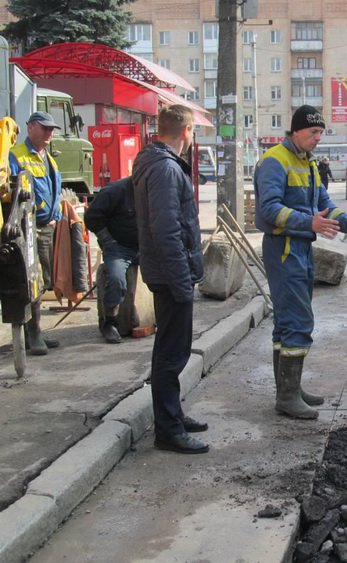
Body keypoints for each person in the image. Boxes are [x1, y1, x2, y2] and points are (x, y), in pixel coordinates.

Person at [254, 105, 347, 420]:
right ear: (297, 130)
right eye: (313, 132)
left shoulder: (308, 162)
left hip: (300, 247)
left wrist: (346, 222)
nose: (318, 138)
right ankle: (287, 397)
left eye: (320, 133)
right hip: (284, 248)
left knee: (287, 322)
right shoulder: (275, 160)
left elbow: (323, 203)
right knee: (298, 321)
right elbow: (269, 209)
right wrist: (309, 223)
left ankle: (288, 389)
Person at [132, 105, 209, 454]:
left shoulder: (157, 162)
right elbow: (166, 231)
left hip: (168, 272)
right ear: (187, 130)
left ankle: (173, 415)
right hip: (171, 275)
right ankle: (168, 430)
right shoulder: (165, 168)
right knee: (171, 354)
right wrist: (182, 281)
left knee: (172, 350)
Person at [9, 111, 63, 356]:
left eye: (51, 129)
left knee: (45, 280)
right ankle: (33, 334)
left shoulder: (47, 157)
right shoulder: (17, 155)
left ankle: (35, 331)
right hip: (29, 229)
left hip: (47, 227)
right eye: (45, 128)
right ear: (30, 127)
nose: (49, 133)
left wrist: (57, 214)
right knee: (34, 281)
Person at [83, 177, 138, 344]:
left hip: (145, 247)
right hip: (119, 248)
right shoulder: (115, 191)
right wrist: (107, 240)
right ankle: (110, 322)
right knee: (116, 279)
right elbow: (91, 216)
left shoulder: (155, 191)